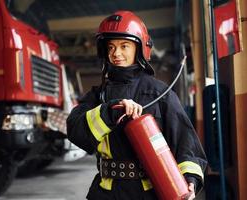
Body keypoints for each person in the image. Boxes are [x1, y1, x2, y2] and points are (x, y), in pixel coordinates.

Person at [67, 10, 207, 200]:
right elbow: (75, 130)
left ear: (140, 48)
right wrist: (109, 112)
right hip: (105, 193)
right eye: (110, 47)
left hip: (149, 194)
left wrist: (190, 178)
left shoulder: (160, 93)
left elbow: (186, 144)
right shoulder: (98, 96)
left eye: (124, 46)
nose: (116, 53)